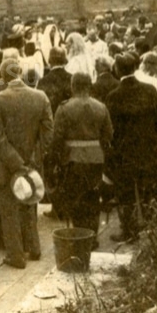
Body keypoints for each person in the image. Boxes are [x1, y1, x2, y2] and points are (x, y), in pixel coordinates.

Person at [0, 59, 53, 269]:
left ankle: (16, 256)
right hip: (32, 162)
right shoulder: (40, 96)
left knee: (9, 211)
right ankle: (34, 248)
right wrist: (33, 158)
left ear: (3, 76)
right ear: (20, 73)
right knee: (29, 205)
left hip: (6, 165)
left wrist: (16, 163)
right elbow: (48, 133)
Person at [105, 53, 157, 243]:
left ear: (118, 70)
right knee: (147, 190)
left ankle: (128, 231)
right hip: (148, 149)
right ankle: (151, 228)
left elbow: (110, 128)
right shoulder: (150, 91)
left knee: (125, 193)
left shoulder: (113, 96)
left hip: (124, 152)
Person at [50, 73, 112, 242]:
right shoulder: (101, 107)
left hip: (72, 160)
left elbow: (57, 138)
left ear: (73, 86)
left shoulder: (64, 108)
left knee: (75, 199)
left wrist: (57, 160)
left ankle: (79, 238)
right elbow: (108, 135)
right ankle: (92, 236)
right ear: (89, 86)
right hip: (96, 159)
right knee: (93, 198)